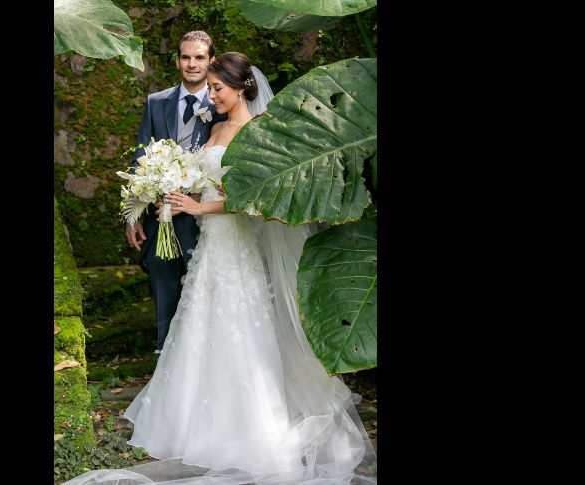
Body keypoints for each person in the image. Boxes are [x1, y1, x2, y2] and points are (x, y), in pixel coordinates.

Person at [69, 52, 376, 484]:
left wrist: (198, 206)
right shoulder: (214, 129)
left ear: (242, 88)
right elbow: (202, 184)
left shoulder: (258, 132)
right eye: (210, 88)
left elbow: (254, 201)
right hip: (210, 252)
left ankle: (249, 430)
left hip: (238, 250)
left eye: (216, 89)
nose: (209, 95)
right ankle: (195, 427)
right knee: (199, 326)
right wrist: (171, 192)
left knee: (240, 330)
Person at [125, 30, 227, 354]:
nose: (192, 64)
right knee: (163, 284)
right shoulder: (157, 103)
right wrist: (133, 213)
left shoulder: (222, 104)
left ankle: (200, 359)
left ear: (211, 60)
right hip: (159, 217)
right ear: (178, 60)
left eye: (199, 57)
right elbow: (140, 159)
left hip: (202, 218)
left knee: (199, 288)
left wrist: (197, 200)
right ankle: (164, 359)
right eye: (186, 57)